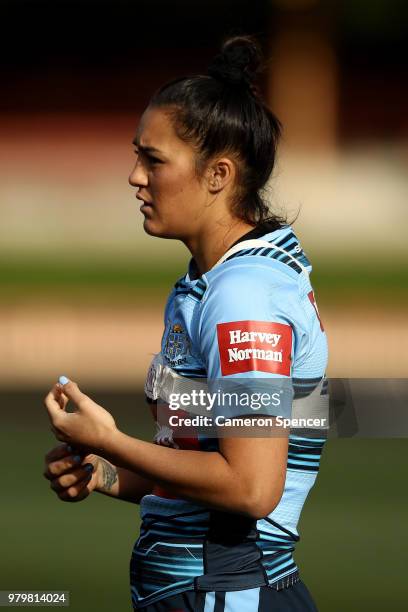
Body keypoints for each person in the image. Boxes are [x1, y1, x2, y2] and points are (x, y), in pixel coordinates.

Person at [43, 35, 328, 611]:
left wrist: (113, 440)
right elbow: (204, 472)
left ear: (218, 174)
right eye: (136, 155)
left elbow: (251, 488)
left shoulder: (243, 294)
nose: (134, 177)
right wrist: (103, 471)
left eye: (153, 159)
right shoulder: (212, 281)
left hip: (231, 592)